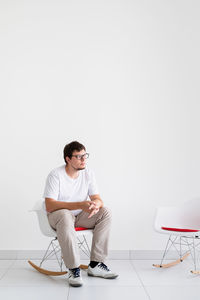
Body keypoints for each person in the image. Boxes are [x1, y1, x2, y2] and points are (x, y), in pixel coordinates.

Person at [43, 141, 118, 287]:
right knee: (65, 215)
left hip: (80, 217)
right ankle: (73, 268)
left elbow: (97, 198)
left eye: (85, 156)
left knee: (105, 212)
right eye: (78, 157)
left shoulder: (88, 173)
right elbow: (49, 205)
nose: (83, 160)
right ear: (68, 159)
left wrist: (96, 204)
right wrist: (80, 205)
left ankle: (96, 264)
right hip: (58, 217)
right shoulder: (55, 175)